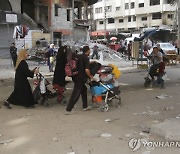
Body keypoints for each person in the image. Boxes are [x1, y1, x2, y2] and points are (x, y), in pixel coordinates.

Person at [65, 46, 94, 114]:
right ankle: (69, 109)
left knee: (84, 90)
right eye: (89, 50)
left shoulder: (80, 56)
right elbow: (86, 70)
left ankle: (85, 106)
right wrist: (91, 76)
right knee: (76, 93)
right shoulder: (86, 58)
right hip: (80, 78)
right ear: (87, 51)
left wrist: (91, 63)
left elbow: (81, 65)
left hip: (75, 76)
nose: (90, 51)